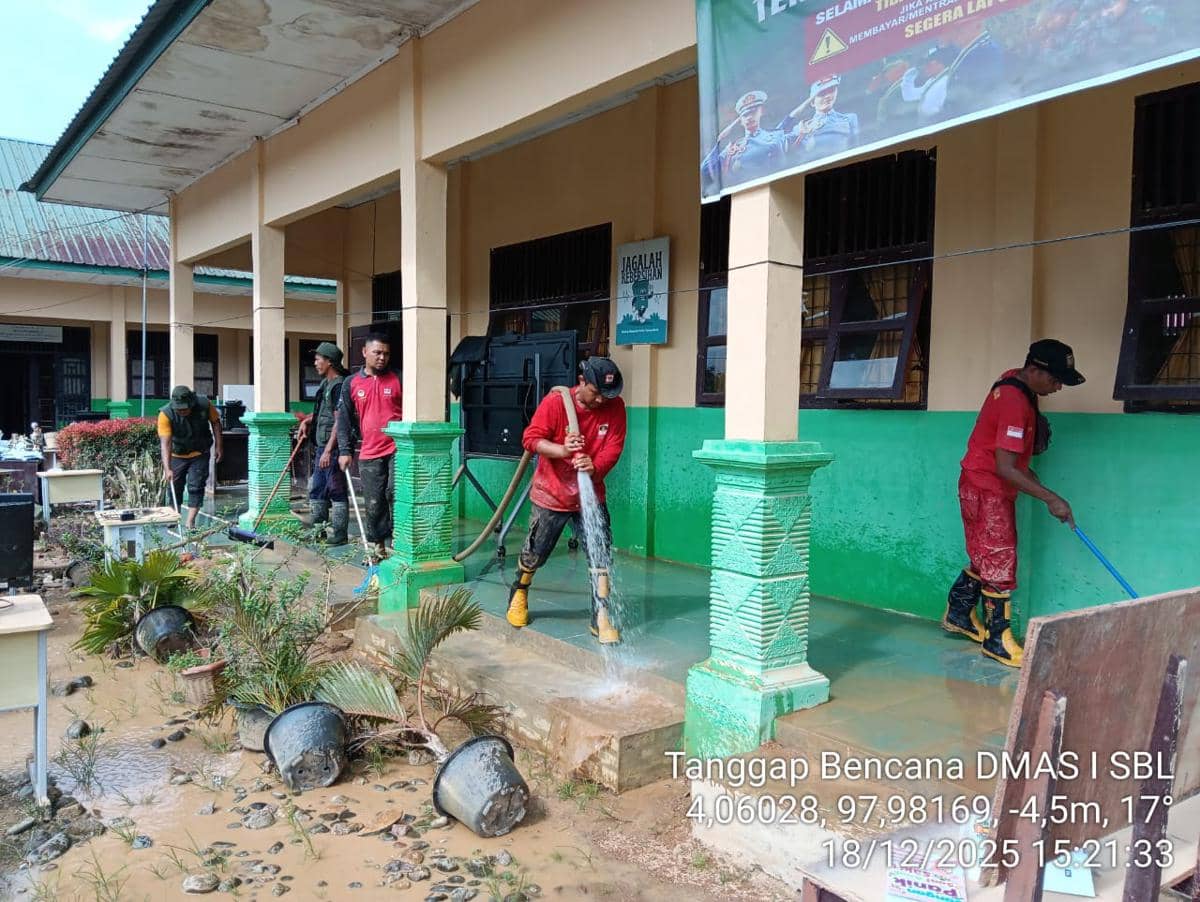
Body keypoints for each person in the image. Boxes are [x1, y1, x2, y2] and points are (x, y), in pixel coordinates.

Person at [943, 339, 1085, 668]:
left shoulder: (1016, 383)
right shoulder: (1013, 402)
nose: (1058, 386)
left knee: (987, 554)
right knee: (1001, 560)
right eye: (1054, 379)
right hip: (986, 487)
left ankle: (959, 612)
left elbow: (1012, 463)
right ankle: (998, 641)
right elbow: (1005, 467)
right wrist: (1053, 499)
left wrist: (1037, 482)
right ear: (1033, 370)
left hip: (982, 482)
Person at [506, 357, 628, 645]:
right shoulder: (557, 403)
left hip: (590, 493)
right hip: (553, 492)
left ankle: (600, 616)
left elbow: (614, 446)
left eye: (606, 395)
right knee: (537, 551)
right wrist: (562, 450)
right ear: (582, 381)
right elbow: (531, 439)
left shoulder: (615, 407)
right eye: (595, 393)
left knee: (600, 555)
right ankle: (519, 593)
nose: (600, 400)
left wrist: (594, 466)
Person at [337, 334, 403, 560]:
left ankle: (400, 539)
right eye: (377, 353)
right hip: (370, 451)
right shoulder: (351, 383)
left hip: (397, 449)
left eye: (386, 353)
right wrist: (345, 451)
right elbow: (344, 419)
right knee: (374, 502)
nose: (382, 357)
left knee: (395, 493)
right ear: (365, 352)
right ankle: (377, 548)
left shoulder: (399, 379)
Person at [296, 341, 349, 545]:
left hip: (333, 448)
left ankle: (339, 533)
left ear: (330, 362)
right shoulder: (325, 384)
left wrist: (328, 450)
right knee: (317, 488)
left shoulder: (339, 386)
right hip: (321, 445)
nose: (316, 363)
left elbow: (339, 420)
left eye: (319, 359)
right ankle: (318, 530)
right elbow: (323, 412)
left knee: (335, 489)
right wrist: (308, 420)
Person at [159, 385, 223, 529]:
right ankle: (174, 515)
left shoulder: (204, 405)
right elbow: (165, 443)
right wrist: (167, 468)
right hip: (177, 454)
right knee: (174, 486)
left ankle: (190, 521)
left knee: (196, 486)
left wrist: (219, 446)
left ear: (192, 403)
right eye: (179, 409)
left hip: (200, 452)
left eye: (185, 408)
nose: (182, 411)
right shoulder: (165, 414)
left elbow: (216, 423)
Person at [701, 91, 790, 192]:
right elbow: (704, 170)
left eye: (753, 112)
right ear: (740, 121)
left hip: (767, 189)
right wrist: (719, 143)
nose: (749, 117)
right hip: (739, 195)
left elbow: (782, 166)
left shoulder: (775, 136)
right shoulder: (732, 147)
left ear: (762, 111)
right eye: (745, 115)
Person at [786, 75, 860, 159]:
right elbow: (778, 140)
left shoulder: (850, 119)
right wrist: (792, 118)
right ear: (812, 102)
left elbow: (855, 149)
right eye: (821, 94)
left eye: (831, 90)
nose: (827, 96)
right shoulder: (799, 128)